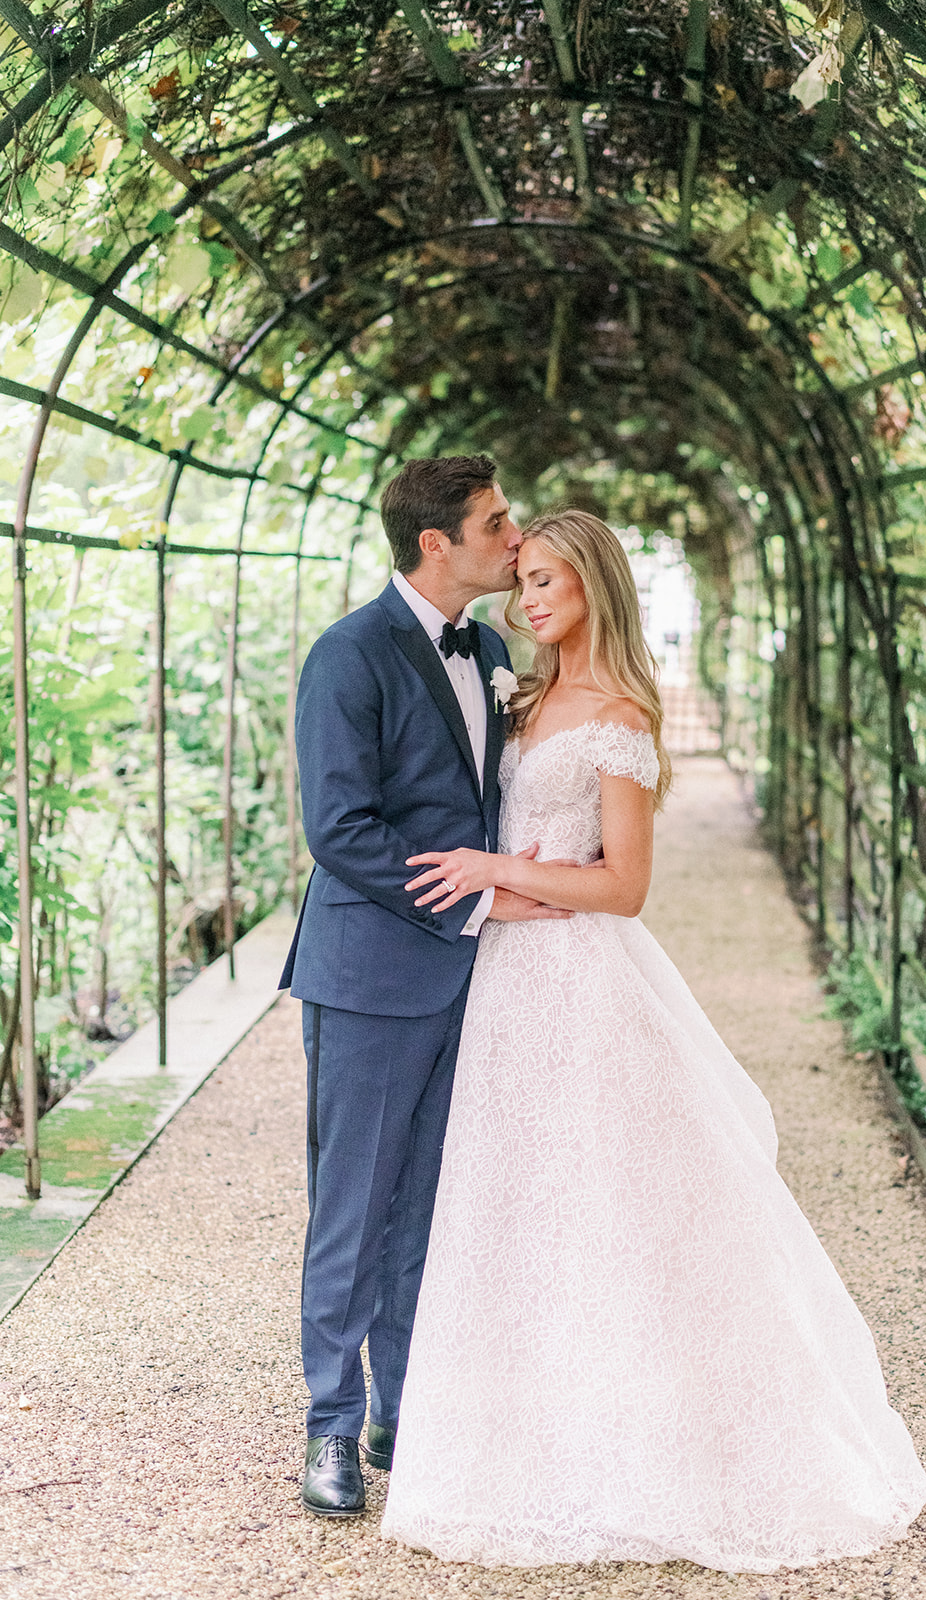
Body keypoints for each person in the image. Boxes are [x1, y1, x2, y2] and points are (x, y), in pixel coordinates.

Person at [380, 510, 926, 1571]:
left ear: (595, 585)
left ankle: (645, 1443)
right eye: (523, 581)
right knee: (512, 1201)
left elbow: (624, 886)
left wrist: (498, 871)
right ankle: (521, 1436)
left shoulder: (617, 715)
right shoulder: (519, 695)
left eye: (548, 580)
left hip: (579, 981)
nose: (528, 599)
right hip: (504, 983)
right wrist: (490, 886)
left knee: (602, 1202)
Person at [279, 456, 571, 1518]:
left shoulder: (489, 650)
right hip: (369, 974)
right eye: (497, 523)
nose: (515, 537)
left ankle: (403, 1411)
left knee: (432, 1208)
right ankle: (329, 1424)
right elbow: (340, 829)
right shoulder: (346, 655)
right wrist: (479, 904)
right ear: (435, 543)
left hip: (475, 981)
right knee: (352, 1206)